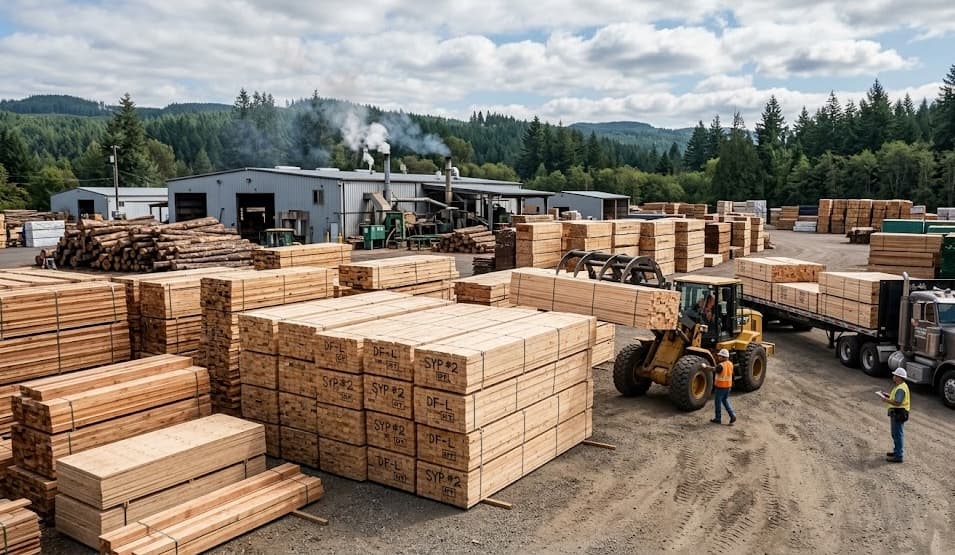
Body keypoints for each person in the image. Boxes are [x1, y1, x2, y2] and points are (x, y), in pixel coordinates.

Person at [881, 368, 911, 463]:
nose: (893, 377)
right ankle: (896, 451)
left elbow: (897, 402)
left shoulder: (901, 388)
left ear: (899, 377)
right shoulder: (901, 386)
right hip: (898, 413)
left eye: (895, 375)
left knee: (897, 434)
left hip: (898, 413)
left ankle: (898, 456)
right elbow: (896, 398)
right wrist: (888, 395)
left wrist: (886, 400)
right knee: (895, 434)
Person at [711, 349, 736, 425]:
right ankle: (732, 415)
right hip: (728, 386)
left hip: (720, 387)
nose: (718, 357)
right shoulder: (730, 364)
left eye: (720, 356)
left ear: (723, 357)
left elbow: (715, 370)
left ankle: (718, 418)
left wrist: (706, 367)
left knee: (717, 403)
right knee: (725, 401)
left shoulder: (721, 365)